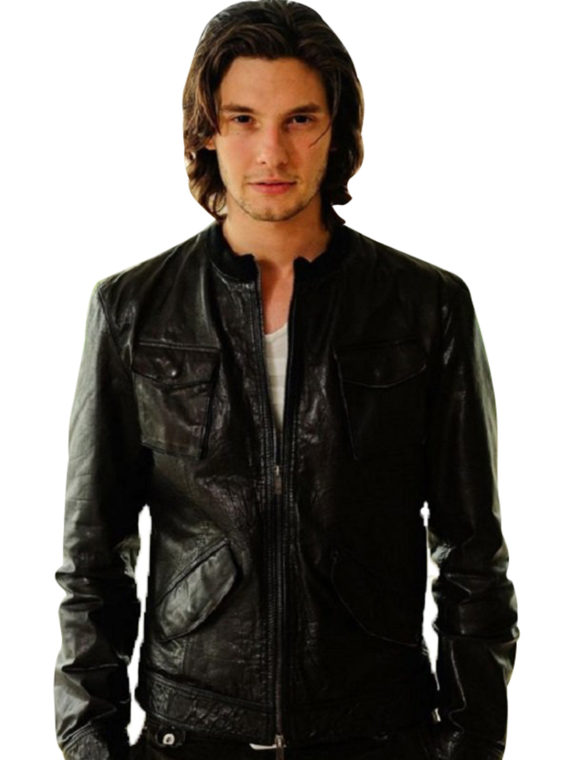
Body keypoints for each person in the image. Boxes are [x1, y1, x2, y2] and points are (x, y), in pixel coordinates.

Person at [54, 1, 518, 758]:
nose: (271, 151)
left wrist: (470, 745)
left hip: (377, 729)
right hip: (190, 731)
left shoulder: (426, 307)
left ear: (338, 129)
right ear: (207, 130)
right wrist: (90, 745)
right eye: (242, 119)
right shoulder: (133, 310)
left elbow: (473, 557)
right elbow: (93, 560)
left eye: (300, 119)